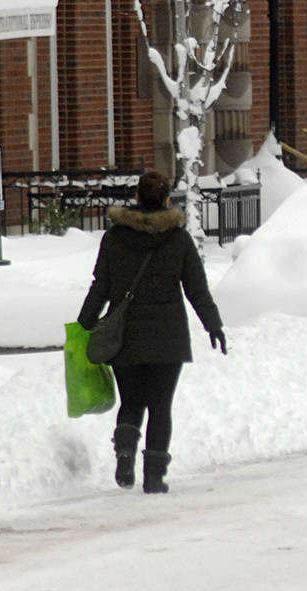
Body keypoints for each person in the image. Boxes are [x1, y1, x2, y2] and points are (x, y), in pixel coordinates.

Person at [78, 170, 227, 493]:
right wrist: (213, 325)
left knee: (131, 401)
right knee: (160, 406)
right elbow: (196, 289)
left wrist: (85, 322)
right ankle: (155, 476)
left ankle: (126, 450)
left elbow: (100, 285)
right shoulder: (178, 239)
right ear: (165, 198)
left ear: (136, 197)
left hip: (125, 335)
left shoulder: (115, 238)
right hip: (167, 338)